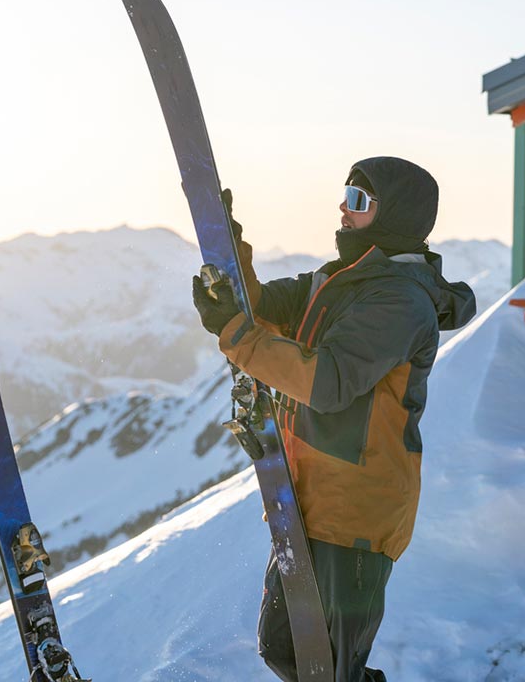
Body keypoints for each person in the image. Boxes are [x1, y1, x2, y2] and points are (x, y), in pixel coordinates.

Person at [191, 156, 476, 682]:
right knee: (284, 649)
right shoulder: (335, 280)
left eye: (361, 200)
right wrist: (229, 256)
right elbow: (262, 311)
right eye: (347, 193)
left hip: (358, 514)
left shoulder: (398, 300)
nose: (344, 209)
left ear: (397, 216)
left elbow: (326, 382)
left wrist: (235, 334)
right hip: (306, 496)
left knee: (331, 669)